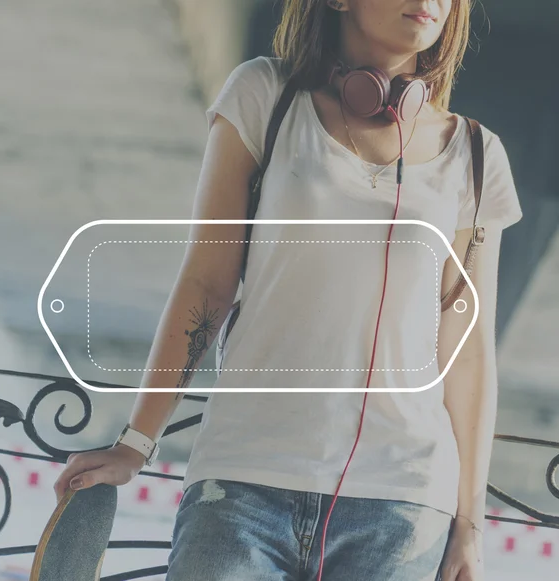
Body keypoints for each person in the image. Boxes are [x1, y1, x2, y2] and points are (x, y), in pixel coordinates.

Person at [54, 1, 523, 580]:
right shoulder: (264, 96)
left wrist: (469, 527)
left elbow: (468, 352)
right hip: (243, 481)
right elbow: (206, 281)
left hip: (403, 505)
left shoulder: (477, 157)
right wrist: (137, 442)